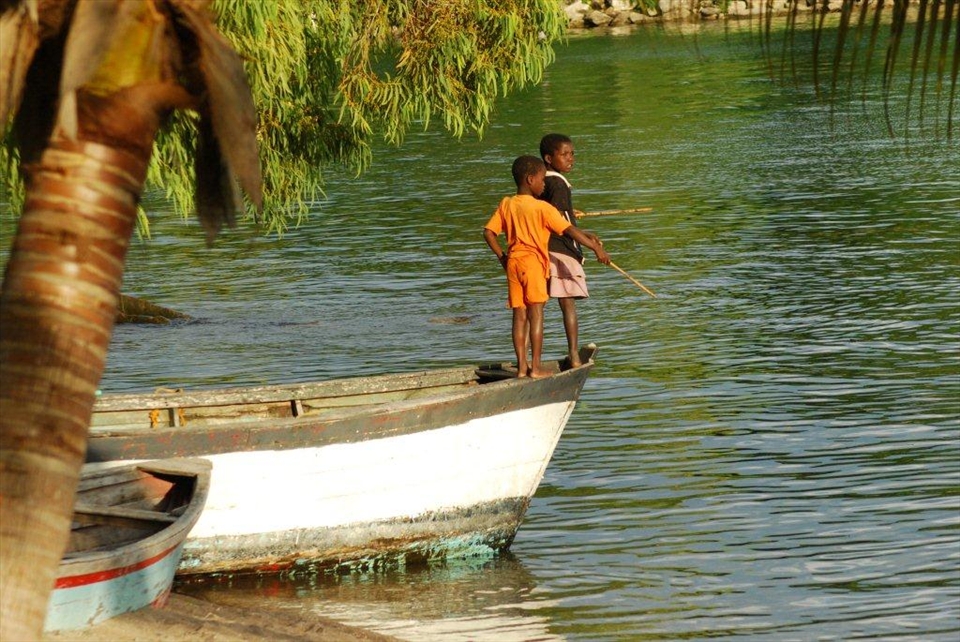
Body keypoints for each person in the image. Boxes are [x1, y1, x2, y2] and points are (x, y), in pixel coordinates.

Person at [483, 155, 610, 378]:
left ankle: (522, 368)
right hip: (533, 265)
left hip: (513, 264)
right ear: (530, 180)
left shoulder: (506, 204)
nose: (544, 184)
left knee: (519, 316)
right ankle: (536, 368)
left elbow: (488, 233)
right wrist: (595, 248)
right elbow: (569, 230)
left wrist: (502, 257)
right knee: (536, 315)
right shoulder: (542, 208)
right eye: (542, 179)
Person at [538, 133, 600, 368]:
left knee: (537, 305)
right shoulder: (558, 184)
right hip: (560, 250)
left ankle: (531, 361)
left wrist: (583, 232)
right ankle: (574, 356)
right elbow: (561, 224)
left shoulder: (540, 181)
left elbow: (554, 219)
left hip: (541, 248)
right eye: (564, 154)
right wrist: (593, 246)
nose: (571, 158)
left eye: (572, 154)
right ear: (549, 158)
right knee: (567, 304)